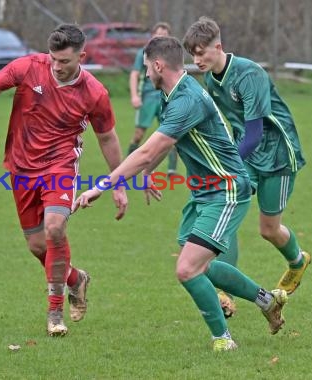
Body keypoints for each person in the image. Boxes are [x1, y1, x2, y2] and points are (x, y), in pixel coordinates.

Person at [73, 36, 288, 352]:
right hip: (204, 192)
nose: (146, 74)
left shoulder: (187, 99)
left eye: (147, 67)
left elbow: (148, 150)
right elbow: (167, 142)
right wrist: (147, 173)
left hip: (226, 189)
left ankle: (223, 340)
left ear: (158, 65)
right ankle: (267, 301)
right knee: (204, 266)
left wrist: (102, 186)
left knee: (187, 269)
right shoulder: (171, 95)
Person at [0, 24, 128, 337]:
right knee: (37, 245)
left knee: (55, 228)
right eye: (53, 59)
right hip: (20, 167)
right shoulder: (29, 66)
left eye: (65, 61)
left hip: (60, 166)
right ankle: (75, 279)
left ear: (82, 56)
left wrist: (119, 183)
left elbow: (108, 138)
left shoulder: (95, 93)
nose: (56, 66)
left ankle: (55, 311)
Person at [182, 17, 310, 315]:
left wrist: (225, 164)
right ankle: (226, 292)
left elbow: (254, 133)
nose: (198, 60)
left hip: (277, 155)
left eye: (202, 53)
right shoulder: (212, 81)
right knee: (226, 213)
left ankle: (297, 261)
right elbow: (232, 128)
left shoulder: (249, 74)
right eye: (194, 55)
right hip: (247, 157)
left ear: (219, 47)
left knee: (269, 229)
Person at [128, 22, 179, 177]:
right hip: (148, 98)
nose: (161, 38)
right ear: (152, 36)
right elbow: (134, 74)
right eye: (158, 35)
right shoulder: (143, 53)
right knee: (138, 134)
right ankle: (128, 164)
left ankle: (171, 170)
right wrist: (135, 95)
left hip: (167, 98)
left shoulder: (172, 55)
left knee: (172, 133)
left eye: (164, 35)